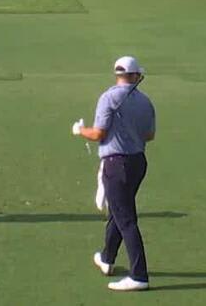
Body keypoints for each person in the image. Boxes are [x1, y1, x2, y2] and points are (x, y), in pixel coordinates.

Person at [73, 56, 157, 292]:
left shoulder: (109, 97)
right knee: (118, 211)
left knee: (126, 219)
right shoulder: (145, 101)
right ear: (135, 75)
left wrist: (80, 130)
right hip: (138, 162)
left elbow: (98, 133)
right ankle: (107, 258)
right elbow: (149, 135)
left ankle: (139, 275)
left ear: (117, 74)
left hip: (116, 164)